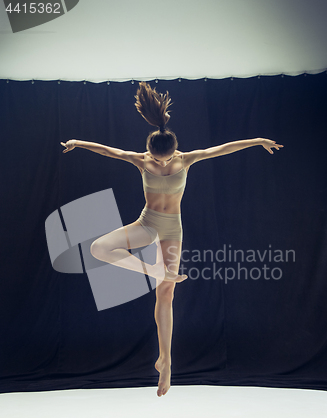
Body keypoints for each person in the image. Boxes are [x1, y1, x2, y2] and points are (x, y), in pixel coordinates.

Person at [61, 81, 283, 397]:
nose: (162, 164)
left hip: (172, 229)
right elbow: (110, 151)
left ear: (174, 152)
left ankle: (165, 360)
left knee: (166, 295)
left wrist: (257, 141)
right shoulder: (140, 159)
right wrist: (78, 143)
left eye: (166, 160)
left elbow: (221, 148)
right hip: (148, 223)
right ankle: (153, 272)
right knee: (99, 248)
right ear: (150, 151)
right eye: (157, 160)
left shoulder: (187, 158)